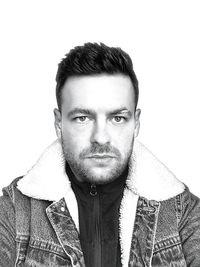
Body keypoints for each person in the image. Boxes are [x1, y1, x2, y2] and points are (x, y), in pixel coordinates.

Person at [0, 43, 200, 267]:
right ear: (59, 123)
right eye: (83, 118)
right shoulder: (15, 212)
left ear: (136, 124)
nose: (101, 138)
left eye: (117, 118)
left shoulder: (184, 214)